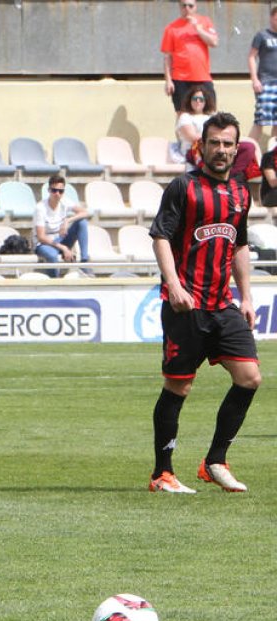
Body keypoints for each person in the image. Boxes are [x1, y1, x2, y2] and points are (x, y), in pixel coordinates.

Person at [147, 111, 259, 495]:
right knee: (178, 388)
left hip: (222, 305)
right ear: (202, 146)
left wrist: (245, 296)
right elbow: (160, 236)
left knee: (249, 377)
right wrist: (174, 284)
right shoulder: (184, 187)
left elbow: (238, 244)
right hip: (186, 306)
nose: (221, 150)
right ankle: (162, 473)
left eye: (228, 144)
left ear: (236, 147)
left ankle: (215, 460)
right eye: (215, 143)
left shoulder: (241, 193)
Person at [161, 0, 218, 116]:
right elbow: (167, 57)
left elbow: (214, 42)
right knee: (182, 114)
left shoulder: (205, 22)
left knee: (210, 112)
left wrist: (198, 29)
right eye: (184, 6)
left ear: (195, 6)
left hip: (202, 77)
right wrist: (168, 80)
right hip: (180, 78)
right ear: (179, 7)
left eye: (190, 6)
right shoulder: (171, 28)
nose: (187, 8)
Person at [33, 175, 91, 278]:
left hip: (60, 238)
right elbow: (41, 237)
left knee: (82, 222)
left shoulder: (65, 201)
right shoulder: (40, 208)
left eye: (61, 191)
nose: (57, 194)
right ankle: (55, 281)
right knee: (52, 256)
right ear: (49, 190)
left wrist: (67, 220)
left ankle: (84, 262)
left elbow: (85, 213)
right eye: (54, 190)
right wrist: (63, 248)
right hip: (44, 244)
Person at [248, 7, 277, 144]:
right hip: (266, 83)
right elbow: (252, 57)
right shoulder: (262, 35)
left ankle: (273, 156)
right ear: (271, 17)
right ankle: (245, 154)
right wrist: (255, 79)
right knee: (260, 120)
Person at [175, 86, 215, 162]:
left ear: (205, 101)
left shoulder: (211, 117)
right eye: (195, 99)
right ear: (190, 101)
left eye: (201, 99)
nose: (198, 101)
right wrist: (214, 136)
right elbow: (192, 137)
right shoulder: (185, 117)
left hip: (209, 151)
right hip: (192, 152)